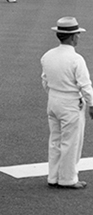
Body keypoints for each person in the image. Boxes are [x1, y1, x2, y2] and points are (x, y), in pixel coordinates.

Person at [41, 17, 93, 189]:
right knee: (71, 141)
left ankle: (53, 176)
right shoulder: (76, 59)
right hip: (70, 103)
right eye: (77, 34)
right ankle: (68, 178)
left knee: (55, 139)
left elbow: (45, 80)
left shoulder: (47, 55)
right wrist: (91, 103)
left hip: (53, 99)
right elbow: (85, 85)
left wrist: (54, 95)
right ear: (72, 37)